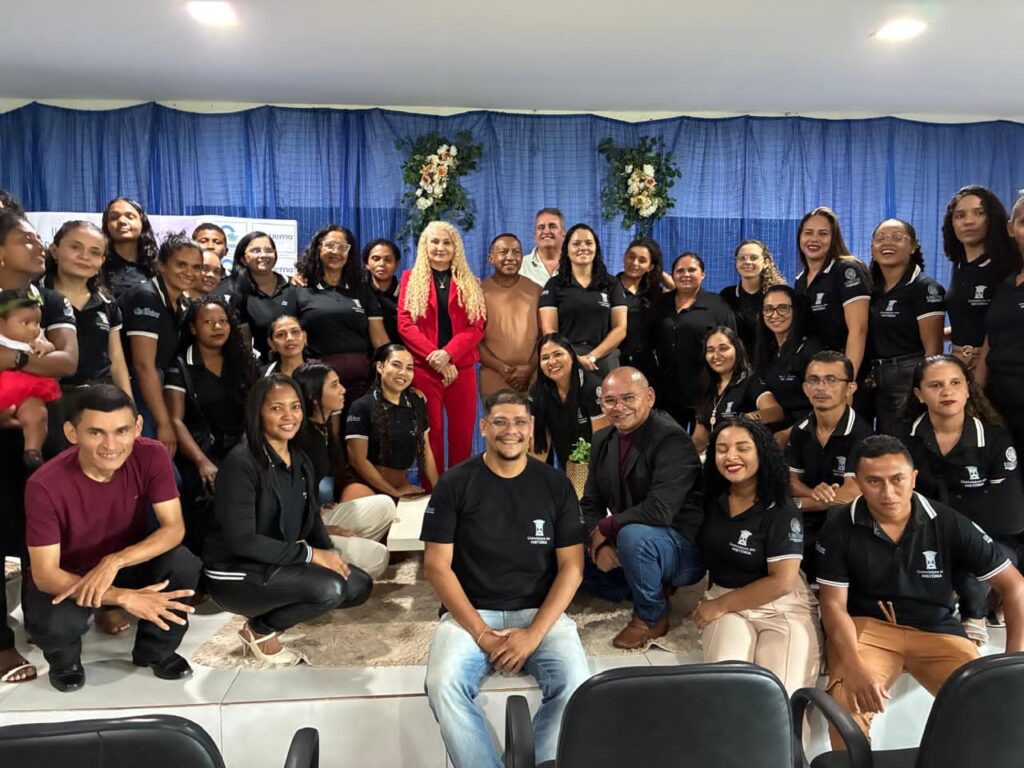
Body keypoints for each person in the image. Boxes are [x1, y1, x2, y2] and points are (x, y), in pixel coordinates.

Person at [816, 434, 1024, 744]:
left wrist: (1013, 662)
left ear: (913, 478)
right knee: (846, 709)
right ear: (857, 482)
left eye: (897, 479)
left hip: (936, 629)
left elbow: (1014, 585)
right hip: (870, 629)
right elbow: (833, 605)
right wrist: (853, 665)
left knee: (990, 706)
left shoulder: (947, 521)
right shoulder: (839, 526)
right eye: (874, 481)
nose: (888, 492)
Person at [422, 389, 589, 768]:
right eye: (500, 421)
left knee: (578, 686)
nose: (510, 430)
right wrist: (482, 633)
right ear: (484, 427)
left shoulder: (556, 484)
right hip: (471, 614)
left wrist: (534, 633)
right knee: (442, 684)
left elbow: (573, 568)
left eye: (519, 422)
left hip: (539, 612)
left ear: (531, 429)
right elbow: (436, 566)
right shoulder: (455, 483)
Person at [23, 385, 200, 692]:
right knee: (53, 619)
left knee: (183, 563)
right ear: (72, 433)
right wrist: (123, 597)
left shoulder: (151, 454)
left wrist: (115, 561)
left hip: (124, 563)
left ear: (138, 427)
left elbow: (174, 528)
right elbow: (46, 574)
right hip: (70, 575)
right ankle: (65, 661)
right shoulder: (44, 484)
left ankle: (155, 651)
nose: (111, 445)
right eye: (96, 433)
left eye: (122, 431)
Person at [203, 374, 373, 667]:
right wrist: (310, 555)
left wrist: (328, 553)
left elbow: (312, 518)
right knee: (329, 589)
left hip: (276, 559)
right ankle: (260, 630)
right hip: (234, 571)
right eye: (276, 408)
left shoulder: (299, 458)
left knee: (357, 585)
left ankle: (273, 616)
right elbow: (242, 541)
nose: (289, 416)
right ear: (258, 412)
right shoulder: (241, 462)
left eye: (295, 407)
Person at [0, 212, 78, 685]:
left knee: (42, 531)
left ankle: (46, 622)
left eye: (37, 238)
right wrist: (29, 358)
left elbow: (65, 361)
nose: (37, 246)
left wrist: (11, 358)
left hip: (38, 430)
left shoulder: (49, 298)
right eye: (24, 239)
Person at [897, 354, 1024, 644]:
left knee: (973, 562)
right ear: (919, 394)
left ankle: (975, 615)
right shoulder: (902, 436)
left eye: (955, 383)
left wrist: (941, 514)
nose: (947, 391)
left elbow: (1011, 517)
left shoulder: (994, 437)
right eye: (936, 385)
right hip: (921, 534)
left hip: (989, 538)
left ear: (968, 389)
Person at [693, 417, 822, 694]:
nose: (731, 456)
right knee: (728, 690)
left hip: (781, 605)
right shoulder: (710, 498)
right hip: (727, 599)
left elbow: (782, 582)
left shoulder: (781, 508)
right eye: (722, 449)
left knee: (781, 696)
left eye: (742, 448)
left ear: (761, 453)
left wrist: (720, 605)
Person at [580, 367, 706, 649]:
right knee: (564, 549)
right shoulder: (603, 439)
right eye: (610, 400)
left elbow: (660, 510)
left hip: (680, 546)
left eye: (628, 398)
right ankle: (643, 583)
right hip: (626, 537)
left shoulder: (671, 438)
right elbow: (590, 503)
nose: (619, 407)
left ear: (649, 397)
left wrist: (605, 528)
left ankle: (651, 616)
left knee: (633, 536)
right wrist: (599, 544)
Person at [164, 296, 257, 555]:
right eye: (208, 322)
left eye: (223, 321)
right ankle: (206, 562)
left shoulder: (242, 360)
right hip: (203, 449)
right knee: (207, 494)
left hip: (242, 446)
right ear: (193, 328)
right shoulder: (181, 366)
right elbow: (175, 420)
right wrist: (201, 461)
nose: (218, 327)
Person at [292, 361, 395, 580]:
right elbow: (287, 503)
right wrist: (323, 530)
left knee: (385, 505)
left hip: (313, 516)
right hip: (295, 532)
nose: (343, 390)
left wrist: (318, 508)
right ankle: (315, 574)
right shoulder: (300, 438)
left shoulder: (323, 429)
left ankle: (337, 563)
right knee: (378, 557)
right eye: (334, 385)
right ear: (313, 396)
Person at [398, 221, 485, 473]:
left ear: (456, 247)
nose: (440, 247)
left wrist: (448, 354)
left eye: (447, 242)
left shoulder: (470, 282)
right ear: (424, 246)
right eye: (434, 242)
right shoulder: (409, 279)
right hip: (425, 369)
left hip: (462, 368)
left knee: (462, 433)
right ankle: (431, 489)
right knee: (430, 434)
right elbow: (405, 324)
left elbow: (476, 326)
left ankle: (459, 488)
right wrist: (435, 357)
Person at [43, 219, 132, 455]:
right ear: (54, 250)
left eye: (94, 252)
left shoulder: (107, 302)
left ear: (102, 260)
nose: (84, 256)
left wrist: (129, 407)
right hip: (50, 400)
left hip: (98, 398)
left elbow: (117, 359)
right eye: (75, 247)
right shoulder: (35, 296)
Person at [786, 351, 873, 577]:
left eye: (831, 380)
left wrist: (798, 503)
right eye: (814, 380)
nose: (821, 387)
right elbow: (792, 481)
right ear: (805, 388)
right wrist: (814, 493)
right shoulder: (800, 430)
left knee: (838, 513)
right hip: (811, 509)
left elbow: (850, 494)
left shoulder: (862, 434)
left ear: (850, 388)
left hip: (844, 517)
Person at [119, 232, 201, 452]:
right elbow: (143, 366)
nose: (189, 272)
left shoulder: (183, 304)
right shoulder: (146, 297)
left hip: (155, 389)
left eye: (196, 267)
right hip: (132, 391)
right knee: (155, 461)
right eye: (181, 265)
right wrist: (164, 423)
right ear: (161, 265)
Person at [865, 218, 945, 433]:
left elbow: (933, 350)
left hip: (906, 378)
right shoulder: (871, 288)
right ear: (872, 248)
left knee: (901, 441)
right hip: (873, 377)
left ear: (913, 246)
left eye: (897, 238)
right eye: (880, 238)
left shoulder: (924, 288)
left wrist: (924, 388)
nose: (887, 243)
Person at [296, 226, 388, 404]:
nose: (336, 252)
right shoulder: (301, 289)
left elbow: (380, 341)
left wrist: (394, 365)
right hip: (318, 382)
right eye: (330, 245)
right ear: (318, 248)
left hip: (361, 381)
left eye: (343, 247)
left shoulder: (362, 290)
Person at [653, 252, 735, 430]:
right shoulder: (661, 303)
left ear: (703, 274)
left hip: (704, 392)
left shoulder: (717, 305)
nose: (685, 275)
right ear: (673, 275)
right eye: (680, 271)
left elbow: (732, 346)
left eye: (692, 270)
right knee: (671, 441)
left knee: (702, 442)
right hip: (667, 394)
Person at [346, 344, 439, 497]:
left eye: (409, 368)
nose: (403, 372)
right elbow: (357, 460)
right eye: (396, 365)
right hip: (364, 484)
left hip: (400, 485)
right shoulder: (361, 406)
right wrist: (393, 492)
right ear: (380, 367)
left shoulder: (416, 402)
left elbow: (426, 450)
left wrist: (438, 489)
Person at [943, 186, 1017, 372]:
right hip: (959, 363)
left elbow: (1001, 326)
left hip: (995, 366)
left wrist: (979, 374)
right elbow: (969, 322)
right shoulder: (959, 265)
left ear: (992, 218)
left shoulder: (1008, 265)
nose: (968, 221)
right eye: (960, 215)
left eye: (979, 213)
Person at [539, 223, 627, 376]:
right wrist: (574, 357)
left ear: (596, 248)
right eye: (576, 244)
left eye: (588, 243)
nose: (583, 247)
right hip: (567, 360)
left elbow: (620, 329)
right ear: (566, 250)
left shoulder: (611, 283)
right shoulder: (554, 285)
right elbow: (550, 331)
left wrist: (593, 356)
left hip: (604, 358)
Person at [793, 207, 870, 378]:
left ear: (834, 238)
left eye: (823, 234)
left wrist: (847, 380)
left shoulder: (847, 270)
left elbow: (858, 330)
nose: (814, 239)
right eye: (808, 233)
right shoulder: (800, 280)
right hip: (816, 373)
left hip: (842, 374)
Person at [976, 193, 1024, 463]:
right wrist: (976, 394)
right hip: (999, 403)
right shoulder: (1006, 284)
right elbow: (991, 341)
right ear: (1011, 228)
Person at [692, 326, 783, 454]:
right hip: (715, 456)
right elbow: (700, 439)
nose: (716, 355)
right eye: (710, 350)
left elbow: (776, 412)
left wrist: (746, 419)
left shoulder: (750, 381)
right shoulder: (706, 387)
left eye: (723, 348)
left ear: (737, 350)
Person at [0, 289, 61, 468]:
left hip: (29, 391)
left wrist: (47, 347)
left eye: (37, 323)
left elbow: (52, 350)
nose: (33, 329)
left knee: (38, 414)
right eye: (25, 323)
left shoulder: (35, 341)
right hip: (4, 387)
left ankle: (33, 451)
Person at [215, 231, 298, 360]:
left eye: (268, 250)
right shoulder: (229, 290)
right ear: (243, 259)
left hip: (294, 361)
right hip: (252, 365)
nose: (263, 255)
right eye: (256, 251)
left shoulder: (293, 285)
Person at [754, 284, 820, 446]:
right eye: (768, 309)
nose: (774, 315)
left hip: (808, 434)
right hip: (772, 434)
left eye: (783, 308)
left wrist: (788, 433)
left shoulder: (811, 351)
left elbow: (825, 407)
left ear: (795, 311)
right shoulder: (766, 350)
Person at [528, 333, 608, 467]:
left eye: (558, 354)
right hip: (563, 459)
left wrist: (586, 476)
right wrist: (533, 473)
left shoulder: (592, 387)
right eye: (545, 358)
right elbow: (540, 441)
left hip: (594, 463)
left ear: (572, 356)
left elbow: (601, 441)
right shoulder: (537, 391)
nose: (552, 362)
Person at [478, 233, 540, 398]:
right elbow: (474, 340)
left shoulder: (536, 291)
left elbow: (545, 336)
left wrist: (529, 368)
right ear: (491, 258)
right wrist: (501, 368)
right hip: (493, 376)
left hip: (532, 377)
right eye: (503, 252)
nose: (511, 257)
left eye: (516, 252)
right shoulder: (478, 293)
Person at [720, 240, 785, 353]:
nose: (747, 262)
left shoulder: (778, 295)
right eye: (742, 258)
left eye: (753, 258)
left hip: (771, 360)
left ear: (766, 263)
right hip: (737, 361)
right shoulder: (727, 295)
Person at [616, 236, 664, 379]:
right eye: (631, 257)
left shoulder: (654, 293)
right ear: (624, 257)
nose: (635, 263)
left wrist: (660, 274)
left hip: (645, 363)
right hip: (615, 360)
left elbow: (680, 293)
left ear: (650, 266)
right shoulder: (609, 287)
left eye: (642, 260)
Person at [100, 197, 159, 299]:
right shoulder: (98, 265)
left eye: (130, 217)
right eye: (114, 217)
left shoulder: (158, 265)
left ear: (142, 222)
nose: (122, 221)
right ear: (106, 225)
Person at [363, 238, 402, 343]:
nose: (382, 264)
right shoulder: (358, 292)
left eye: (388, 260)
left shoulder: (406, 294)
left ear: (397, 264)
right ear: (366, 264)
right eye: (376, 259)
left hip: (399, 351)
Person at [519, 207, 565, 288]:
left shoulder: (575, 265)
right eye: (541, 227)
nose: (546, 231)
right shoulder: (521, 266)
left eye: (552, 226)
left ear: (564, 234)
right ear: (534, 235)